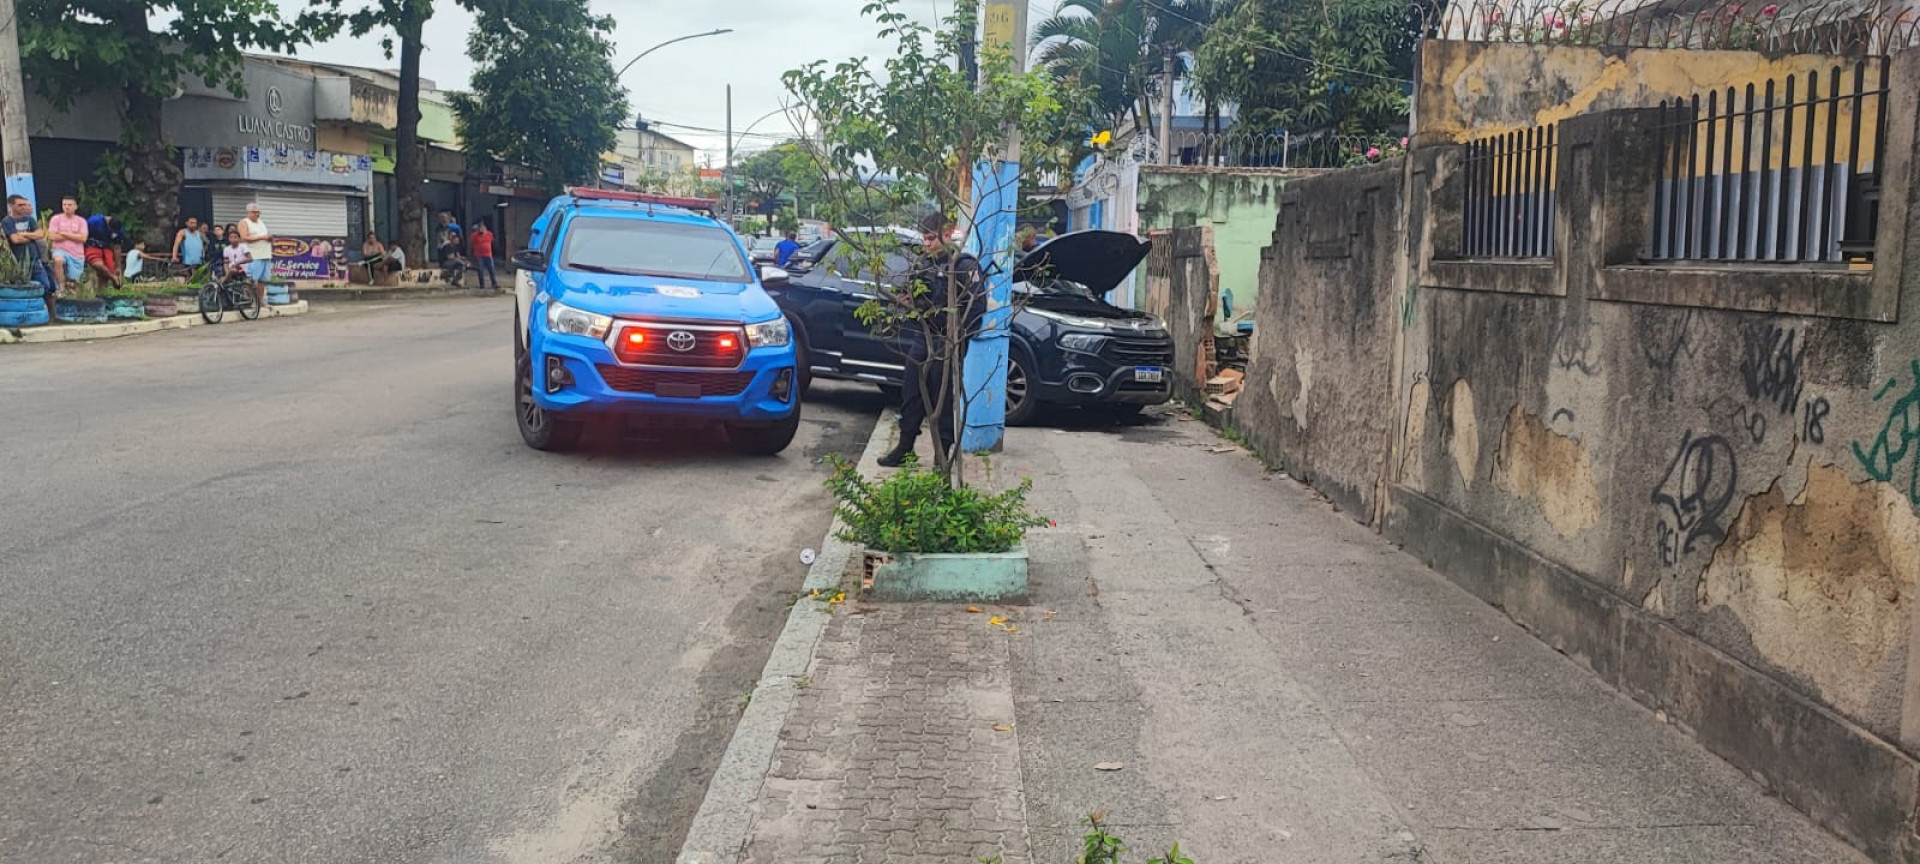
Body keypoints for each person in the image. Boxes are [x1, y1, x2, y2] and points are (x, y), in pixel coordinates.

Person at [877, 211, 985, 468]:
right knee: (912, 394)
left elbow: (977, 307)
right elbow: (909, 292)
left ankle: (941, 458)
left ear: (947, 235)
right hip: (922, 338)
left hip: (948, 343)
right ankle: (905, 448)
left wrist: (955, 336)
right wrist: (907, 302)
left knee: (943, 401)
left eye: (930, 239)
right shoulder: (923, 263)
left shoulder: (964, 265)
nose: (926, 244)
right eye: (923, 239)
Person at [4, 194, 56, 315]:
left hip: (35, 260)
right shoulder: (7, 221)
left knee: (46, 286)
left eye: (24, 205)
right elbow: (15, 240)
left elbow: (40, 234)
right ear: (11, 206)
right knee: (20, 289)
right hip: (18, 263)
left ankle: (48, 313)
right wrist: (31, 236)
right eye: (20, 205)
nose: (23, 207)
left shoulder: (30, 219)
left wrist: (24, 235)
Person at [46, 195, 88, 295]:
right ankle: (61, 287)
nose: (67, 207)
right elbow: (52, 237)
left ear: (75, 207)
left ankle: (71, 291)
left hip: (77, 254)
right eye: (64, 205)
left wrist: (64, 234)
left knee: (74, 283)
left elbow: (83, 238)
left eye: (69, 205)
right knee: (58, 259)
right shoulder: (56, 219)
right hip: (60, 250)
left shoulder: (81, 221)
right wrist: (74, 236)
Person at [239, 202, 273, 307]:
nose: (256, 215)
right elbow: (244, 237)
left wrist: (268, 238)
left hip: (265, 254)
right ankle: (248, 301)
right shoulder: (244, 222)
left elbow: (265, 235)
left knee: (262, 280)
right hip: (254, 255)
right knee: (251, 279)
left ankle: (260, 301)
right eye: (254, 212)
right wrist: (262, 237)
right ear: (248, 212)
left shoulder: (261, 222)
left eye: (258, 212)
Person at [84, 212, 125, 289]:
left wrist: (118, 266)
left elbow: (117, 247)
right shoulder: (94, 221)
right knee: (98, 265)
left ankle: (102, 294)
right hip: (92, 246)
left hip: (107, 249)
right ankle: (112, 277)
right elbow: (83, 235)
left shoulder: (119, 230)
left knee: (104, 275)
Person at [469, 218, 498, 291]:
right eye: (479, 227)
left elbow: (492, 241)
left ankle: (494, 284)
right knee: (480, 270)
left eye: (482, 227)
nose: (481, 229)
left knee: (491, 269)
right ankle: (482, 285)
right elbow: (472, 243)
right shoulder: (474, 235)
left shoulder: (489, 234)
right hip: (479, 255)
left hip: (488, 254)